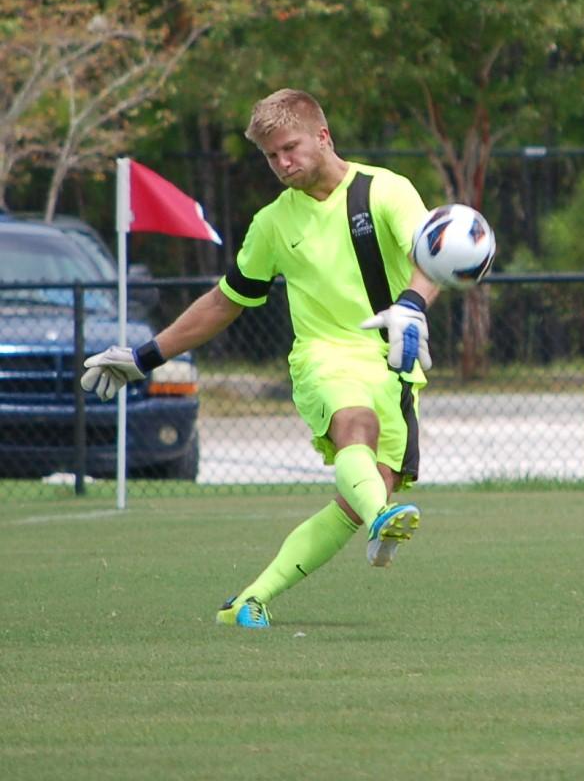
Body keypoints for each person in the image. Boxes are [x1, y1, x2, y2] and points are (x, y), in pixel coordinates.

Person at [81, 88, 439, 629]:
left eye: (289, 148)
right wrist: (145, 356)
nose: (282, 164)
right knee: (353, 427)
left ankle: (249, 601)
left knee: (357, 498)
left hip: (393, 362)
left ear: (323, 135)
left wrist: (411, 307)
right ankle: (382, 517)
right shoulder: (273, 222)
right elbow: (225, 301)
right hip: (323, 357)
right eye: (271, 156)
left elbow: (430, 256)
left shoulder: (385, 191)